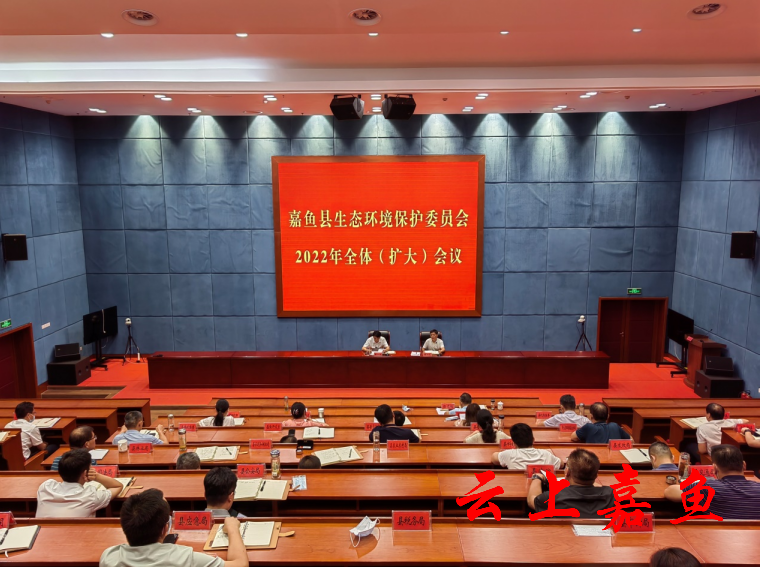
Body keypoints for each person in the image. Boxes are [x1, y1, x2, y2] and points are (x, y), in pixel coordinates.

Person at [99, 488, 249, 567]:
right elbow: (240, 564)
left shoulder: (109, 557)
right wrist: (232, 528)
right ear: (165, 529)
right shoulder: (184, 558)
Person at [664, 444, 760, 520]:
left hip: (718, 537)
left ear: (714, 468)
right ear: (744, 465)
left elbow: (670, 492)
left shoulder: (708, 488)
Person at [527, 448, 614, 518]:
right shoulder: (610, 495)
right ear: (596, 475)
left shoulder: (554, 497)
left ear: (567, 472)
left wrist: (537, 477)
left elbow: (532, 501)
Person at [36, 448, 123, 518]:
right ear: (85, 473)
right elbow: (117, 486)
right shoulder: (90, 496)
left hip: (42, 534)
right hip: (74, 534)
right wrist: (96, 476)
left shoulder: (45, 487)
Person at [491, 423, 561, 469]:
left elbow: (494, 458)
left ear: (514, 443)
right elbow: (561, 464)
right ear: (533, 440)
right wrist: (550, 453)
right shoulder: (546, 454)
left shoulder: (509, 454)